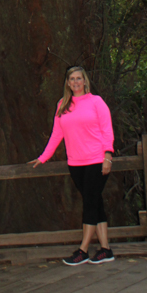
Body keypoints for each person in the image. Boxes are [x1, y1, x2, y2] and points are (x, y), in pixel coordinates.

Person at [30, 65, 115, 265]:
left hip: (96, 161)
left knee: (90, 204)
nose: (76, 82)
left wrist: (108, 156)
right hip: (76, 163)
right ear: (68, 83)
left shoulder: (97, 102)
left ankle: (83, 250)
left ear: (85, 81)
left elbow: (107, 130)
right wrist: (43, 157)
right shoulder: (63, 105)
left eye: (79, 78)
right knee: (95, 203)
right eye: (72, 79)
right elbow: (57, 134)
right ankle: (105, 249)